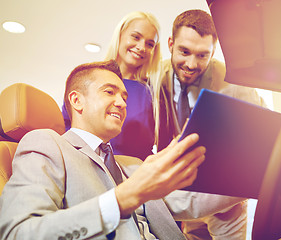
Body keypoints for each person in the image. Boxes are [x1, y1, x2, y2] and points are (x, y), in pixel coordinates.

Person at [0, 60, 244, 240]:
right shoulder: (47, 144)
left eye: (124, 97)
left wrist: (256, 177)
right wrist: (124, 198)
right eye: (109, 92)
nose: (122, 102)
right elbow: (18, 233)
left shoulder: (132, 164)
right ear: (76, 100)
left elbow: (188, 201)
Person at [157, 9, 281, 240]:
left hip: (224, 196)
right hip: (178, 187)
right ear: (171, 43)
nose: (191, 63)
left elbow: (261, 133)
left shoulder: (236, 83)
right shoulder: (155, 75)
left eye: (202, 55)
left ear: (213, 52)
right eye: (184, 51)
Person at [62, 11, 167, 160]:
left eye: (150, 44)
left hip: (134, 173)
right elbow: (66, 127)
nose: (141, 47)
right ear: (120, 35)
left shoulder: (154, 93)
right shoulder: (87, 78)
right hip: (85, 166)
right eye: (136, 37)